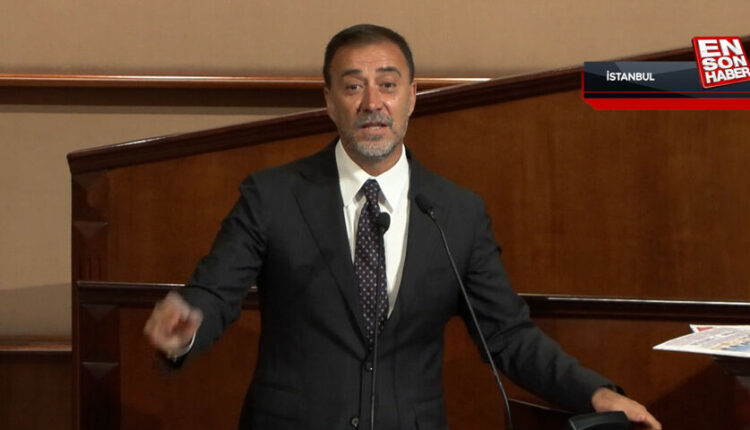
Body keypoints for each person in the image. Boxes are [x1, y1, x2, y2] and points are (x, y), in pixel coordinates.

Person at [144, 24, 661, 430]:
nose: (372, 103)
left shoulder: (455, 212)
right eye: (353, 86)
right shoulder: (273, 196)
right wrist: (185, 327)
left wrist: (595, 393)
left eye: (387, 85)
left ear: (412, 97)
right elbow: (214, 292)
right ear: (329, 101)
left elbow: (507, 335)